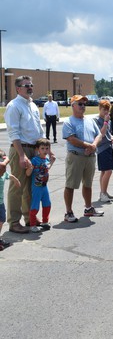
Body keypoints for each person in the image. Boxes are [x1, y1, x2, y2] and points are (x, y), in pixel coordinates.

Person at [5, 75, 45, 233]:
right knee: (18, 187)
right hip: (20, 149)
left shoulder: (33, 105)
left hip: (34, 149)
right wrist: (22, 155)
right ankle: (14, 222)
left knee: (31, 187)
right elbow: (13, 132)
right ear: (18, 88)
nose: (30, 87)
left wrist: (44, 149)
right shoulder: (14, 106)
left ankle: (30, 218)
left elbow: (38, 129)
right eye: (26, 85)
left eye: (31, 84)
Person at [62, 95, 104, 222]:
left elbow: (99, 135)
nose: (83, 106)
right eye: (80, 104)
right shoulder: (69, 122)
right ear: (73, 105)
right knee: (70, 185)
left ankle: (88, 208)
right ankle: (68, 212)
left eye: (84, 104)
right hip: (76, 156)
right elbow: (71, 138)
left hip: (90, 156)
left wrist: (93, 146)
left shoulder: (90, 120)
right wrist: (88, 145)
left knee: (88, 184)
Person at [26, 138, 54, 232]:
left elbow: (47, 167)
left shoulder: (46, 159)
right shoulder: (34, 160)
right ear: (38, 149)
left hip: (44, 186)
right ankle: (32, 224)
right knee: (35, 206)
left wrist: (52, 162)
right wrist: (30, 168)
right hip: (36, 186)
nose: (45, 150)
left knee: (47, 204)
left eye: (47, 148)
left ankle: (45, 221)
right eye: (42, 148)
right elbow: (28, 174)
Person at [95, 100, 113, 203]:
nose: (105, 112)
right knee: (108, 171)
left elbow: (108, 133)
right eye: (104, 109)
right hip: (102, 148)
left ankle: (104, 191)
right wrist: (105, 122)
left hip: (108, 146)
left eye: (107, 110)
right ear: (99, 109)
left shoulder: (108, 120)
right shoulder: (97, 120)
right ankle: (103, 193)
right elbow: (101, 134)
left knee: (105, 171)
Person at [0, 149, 19, 250]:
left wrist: (15, 180)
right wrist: (6, 159)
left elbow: (9, 175)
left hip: (1, 202)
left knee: (2, 220)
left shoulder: (3, 173)